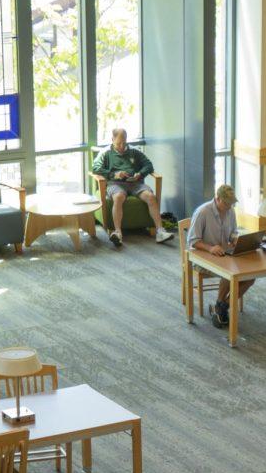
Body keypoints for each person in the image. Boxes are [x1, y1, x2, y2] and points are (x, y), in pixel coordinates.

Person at [187, 184, 255, 329]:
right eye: (227, 203)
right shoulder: (203, 212)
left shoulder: (231, 212)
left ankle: (221, 307)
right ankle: (221, 307)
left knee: (250, 277)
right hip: (204, 257)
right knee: (229, 274)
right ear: (217, 199)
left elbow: (233, 232)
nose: (229, 206)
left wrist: (235, 238)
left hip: (224, 255)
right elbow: (192, 241)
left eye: (232, 203)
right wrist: (210, 248)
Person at [91, 127, 173, 247]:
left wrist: (140, 174)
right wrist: (114, 174)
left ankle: (160, 231)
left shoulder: (134, 151)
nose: (121, 146)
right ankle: (118, 232)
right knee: (118, 197)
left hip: (135, 183)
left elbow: (148, 165)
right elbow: (96, 168)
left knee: (150, 197)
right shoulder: (105, 152)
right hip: (115, 183)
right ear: (112, 139)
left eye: (124, 142)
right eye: (118, 143)